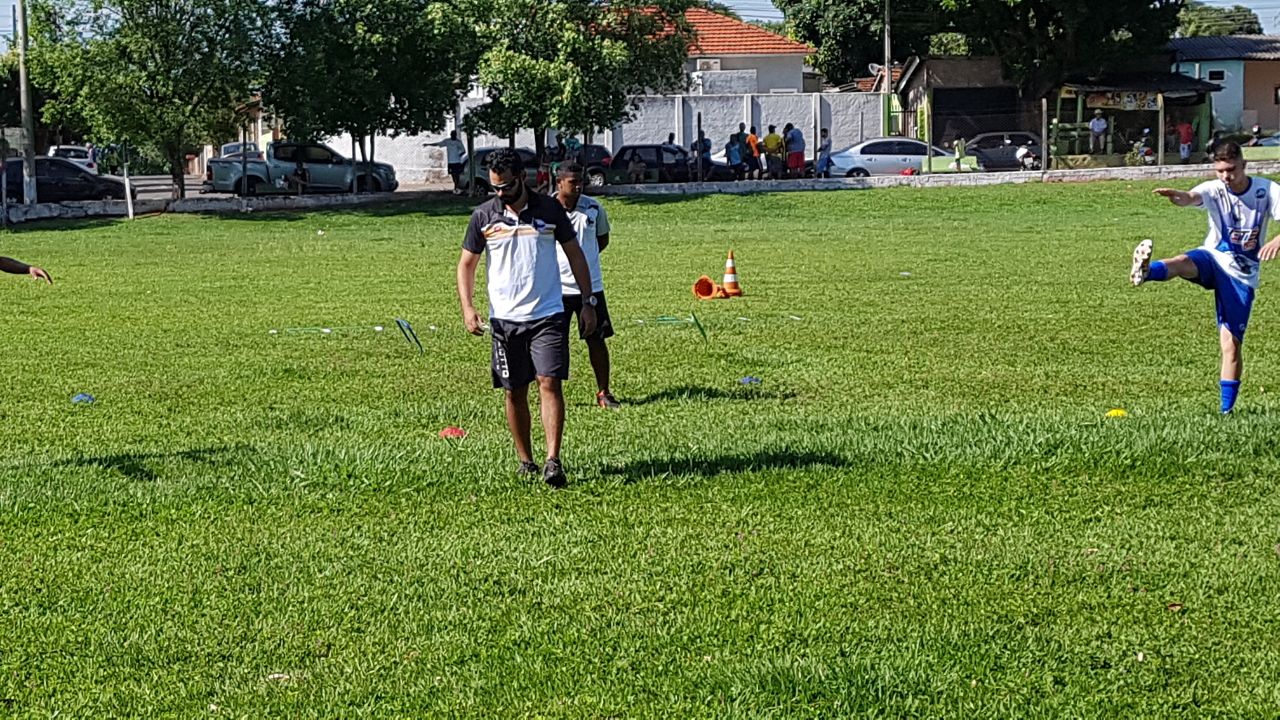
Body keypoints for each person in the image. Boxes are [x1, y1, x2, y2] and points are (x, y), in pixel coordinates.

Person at [457, 148, 597, 487]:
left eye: (506, 186)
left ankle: (553, 461)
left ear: (522, 177)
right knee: (514, 391)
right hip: (504, 320)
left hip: (548, 314)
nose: (501, 193)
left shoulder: (548, 209)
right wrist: (468, 307)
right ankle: (526, 460)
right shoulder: (484, 216)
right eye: (495, 187)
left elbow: (575, 254)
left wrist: (588, 301)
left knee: (549, 382)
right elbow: (466, 265)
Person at [1131, 141, 1280, 414]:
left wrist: (1277, 241)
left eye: (1231, 170)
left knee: (1231, 345)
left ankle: (1226, 411)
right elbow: (1192, 197)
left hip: (1242, 275)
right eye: (1220, 170)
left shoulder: (1267, 190)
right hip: (1214, 257)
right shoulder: (1214, 189)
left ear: (1244, 165)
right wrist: (1179, 197)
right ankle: (1146, 272)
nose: (1226, 176)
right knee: (1183, 262)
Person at [553, 162, 620, 411]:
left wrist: (584, 263)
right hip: (555, 289)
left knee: (596, 339)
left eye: (581, 181)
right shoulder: (546, 210)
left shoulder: (594, 208)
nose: (579, 186)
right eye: (573, 182)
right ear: (559, 183)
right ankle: (553, 394)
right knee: (554, 343)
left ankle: (604, 391)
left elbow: (603, 240)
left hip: (590, 287)